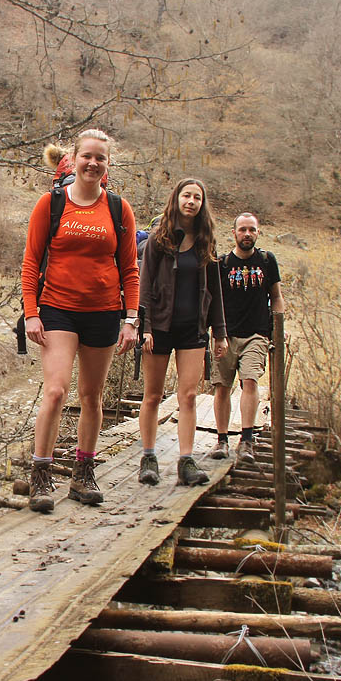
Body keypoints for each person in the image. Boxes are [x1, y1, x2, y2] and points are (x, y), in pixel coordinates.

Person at [22, 129, 139, 513]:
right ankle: (41, 475)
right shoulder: (50, 204)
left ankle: (83, 473)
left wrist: (131, 319)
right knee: (56, 391)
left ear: (107, 165)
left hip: (104, 311)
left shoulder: (118, 209)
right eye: (87, 156)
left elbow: (129, 269)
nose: (93, 163)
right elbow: (30, 261)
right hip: (57, 308)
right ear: (75, 158)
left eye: (100, 158)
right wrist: (31, 313)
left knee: (92, 397)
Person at [136, 178, 226, 486]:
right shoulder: (158, 239)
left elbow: (215, 291)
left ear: (202, 204)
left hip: (193, 330)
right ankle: (148, 458)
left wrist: (220, 333)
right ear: (176, 199)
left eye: (197, 197)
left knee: (188, 395)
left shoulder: (205, 241)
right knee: (153, 395)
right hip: (159, 328)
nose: (191, 201)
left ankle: (186, 461)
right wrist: (143, 327)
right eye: (186, 195)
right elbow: (144, 286)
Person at [207, 213, 285, 463]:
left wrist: (277, 327)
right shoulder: (222, 263)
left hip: (257, 334)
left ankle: (247, 439)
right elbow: (212, 301)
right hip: (226, 335)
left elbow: (276, 295)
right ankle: (221, 440)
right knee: (222, 387)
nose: (247, 234)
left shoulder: (266, 261)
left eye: (252, 230)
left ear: (258, 233)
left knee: (250, 381)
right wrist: (213, 332)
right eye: (243, 230)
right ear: (234, 233)